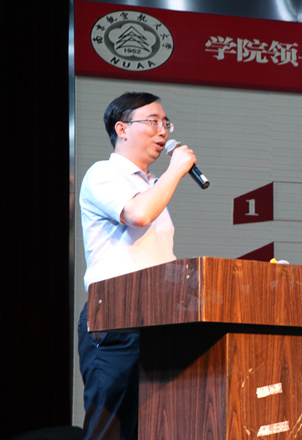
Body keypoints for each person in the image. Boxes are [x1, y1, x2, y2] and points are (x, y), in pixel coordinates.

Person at [77, 92, 197, 440]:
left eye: (166, 123)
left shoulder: (152, 185)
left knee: (157, 427)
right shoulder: (103, 173)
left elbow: (157, 258)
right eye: (153, 121)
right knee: (112, 431)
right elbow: (138, 215)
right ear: (122, 129)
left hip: (160, 319)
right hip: (116, 317)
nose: (163, 131)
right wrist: (176, 170)